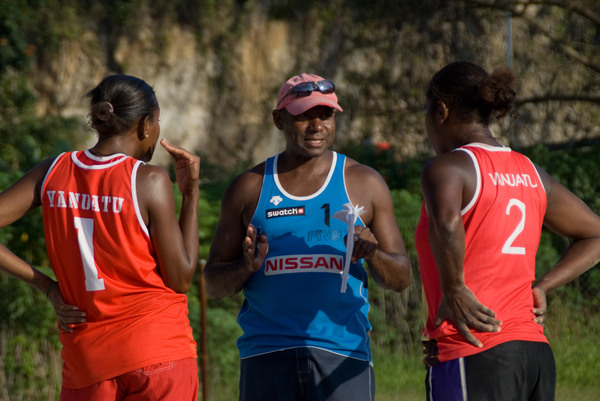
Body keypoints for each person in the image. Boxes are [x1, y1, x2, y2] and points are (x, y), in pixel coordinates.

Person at [204, 73, 411, 401]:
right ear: (279, 119)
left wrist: (373, 253)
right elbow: (212, 284)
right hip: (267, 355)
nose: (317, 126)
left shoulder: (364, 182)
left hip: (343, 354)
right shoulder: (249, 187)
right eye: (303, 115)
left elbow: (400, 278)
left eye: (326, 115)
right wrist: (245, 267)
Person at [0, 74, 201, 401]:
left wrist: (47, 286)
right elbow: (180, 278)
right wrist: (190, 194)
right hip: (157, 352)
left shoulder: (53, 171)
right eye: (158, 120)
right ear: (145, 125)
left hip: (87, 362)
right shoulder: (148, 179)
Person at [415, 61, 600, 401]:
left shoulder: (447, 168)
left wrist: (454, 288)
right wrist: (542, 284)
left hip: (475, 348)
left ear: (440, 110)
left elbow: (447, 222)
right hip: (534, 354)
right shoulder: (531, 172)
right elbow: (595, 234)